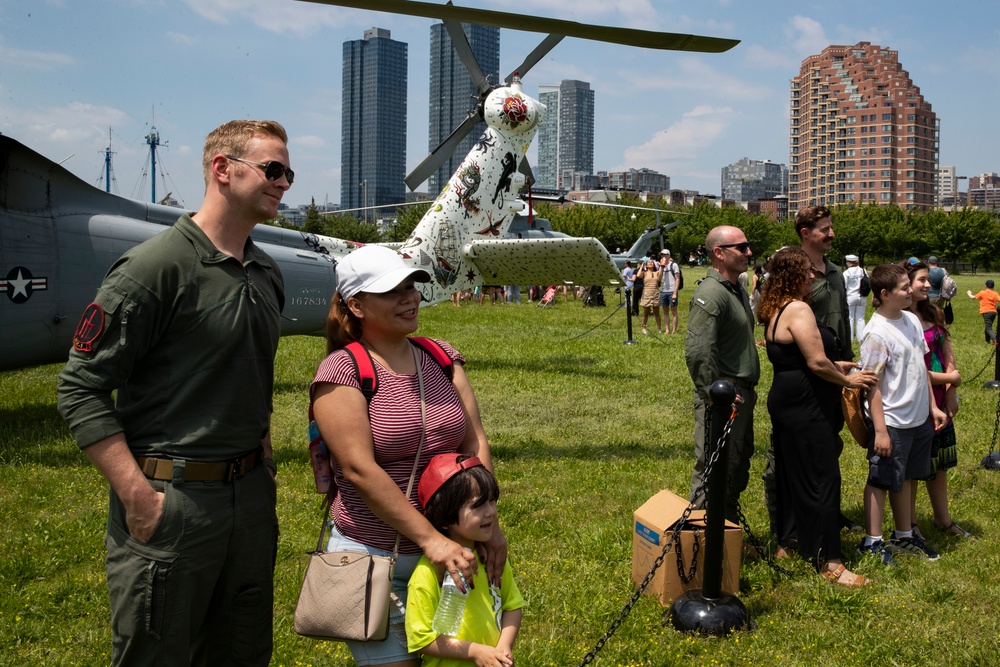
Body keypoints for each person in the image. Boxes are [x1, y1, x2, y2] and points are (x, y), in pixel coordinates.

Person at [56, 120, 291, 665]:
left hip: (249, 502)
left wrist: (264, 463)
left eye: (289, 172)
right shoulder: (154, 268)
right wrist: (138, 498)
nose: (284, 183)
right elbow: (80, 388)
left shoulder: (265, 272)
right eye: (272, 169)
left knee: (243, 652)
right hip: (173, 504)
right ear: (222, 170)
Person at [310, 244, 507, 666]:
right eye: (392, 290)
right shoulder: (342, 373)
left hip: (450, 566)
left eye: (412, 286)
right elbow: (359, 470)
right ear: (357, 305)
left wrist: (489, 525)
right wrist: (431, 540)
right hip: (380, 564)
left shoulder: (442, 358)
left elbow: (474, 445)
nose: (410, 297)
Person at [757, 248, 876, 586]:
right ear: (793, 275)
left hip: (787, 399)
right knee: (823, 477)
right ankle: (830, 561)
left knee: (792, 473)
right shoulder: (798, 308)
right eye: (807, 272)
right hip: (806, 405)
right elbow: (816, 363)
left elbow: (793, 357)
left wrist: (836, 365)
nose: (813, 276)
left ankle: (790, 542)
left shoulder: (776, 308)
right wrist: (847, 379)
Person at [857, 264, 948, 565]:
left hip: (918, 417)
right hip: (892, 421)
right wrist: (880, 430)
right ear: (884, 294)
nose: (911, 291)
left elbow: (920, 366)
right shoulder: (875, 333)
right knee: (881, 479)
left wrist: (932, 408)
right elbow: (873, 386)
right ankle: (872, 541)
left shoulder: (910, 319)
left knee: (908, 477)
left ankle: (904, 535)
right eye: (904, 287)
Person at [406, 454, 524, 667]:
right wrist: (474, 652)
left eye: (492, 501)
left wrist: (503, 649)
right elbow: (421, 639)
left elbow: (512, 606)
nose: (491, 513)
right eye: (478, 506)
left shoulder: (492, 560)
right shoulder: (428, 572)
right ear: (445, 518)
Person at [685, 226, 759, 521]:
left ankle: (727, 535)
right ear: (719, 253)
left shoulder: (735, 289)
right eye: (741, 248)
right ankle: (701, 542)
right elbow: (699, 352)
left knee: (736, 464)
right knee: (714, 467)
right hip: (725, 396)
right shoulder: (712, 293)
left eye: (748, 246)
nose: (749, 252)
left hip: (740, 394)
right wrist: (717, 397)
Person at [902, 260, 971, 538]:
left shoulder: (935, 313)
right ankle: (911, 524)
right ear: (907, 283)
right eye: (922, 280)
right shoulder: (903, 319)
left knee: (939, 464)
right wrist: (951, 380)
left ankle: (943, 520)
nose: (928, 285)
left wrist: (951, 391)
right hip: (917, 401)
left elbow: (949, 355)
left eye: (928, 280)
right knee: (914, 468)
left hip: (942, 400)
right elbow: (913, 371)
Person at [843, 254, 868, 342]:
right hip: (862, 296)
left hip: (850, 296)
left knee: (850, 318)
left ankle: (850, 338)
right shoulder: (863, 271)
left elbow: (844, 286)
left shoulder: (846, 273)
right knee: (860, 318)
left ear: (849, 262)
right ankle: (861, 338)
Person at [966, 279, 1000, 344]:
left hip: (986, 312)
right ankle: (987, 341)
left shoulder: (982, 292)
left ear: (985, 285)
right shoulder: (995, 294)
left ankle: (995, 340)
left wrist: (969, 293)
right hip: (993, 312)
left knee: (988, 328)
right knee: (988, 326)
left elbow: (973, 297)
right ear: (993, 286)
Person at [637, 258, 662, 335]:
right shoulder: (644, 273)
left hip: (655, 292)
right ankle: (643, 328)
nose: (650, 263)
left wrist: (660, 266)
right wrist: (642, 266)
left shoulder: (656, 272)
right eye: (649, 262)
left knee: (656, 312)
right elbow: (638, 275)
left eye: (652, 262)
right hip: (647, 293)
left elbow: (660, 276)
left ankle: (659, 328)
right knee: (646, 312)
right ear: (646, 265)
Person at [659, 249, 681, 334]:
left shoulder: (674, 265)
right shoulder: (662, 266)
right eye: (662, 255)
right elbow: (659, 278)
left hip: (672, 290)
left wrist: (675, 293)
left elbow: (677, 279)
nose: (663, 256)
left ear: (669, 255)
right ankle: (667, 329)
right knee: (665, 311)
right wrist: (661, 267)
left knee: (674, 311)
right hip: (663, 290)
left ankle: (674, 330)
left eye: (665, 255)